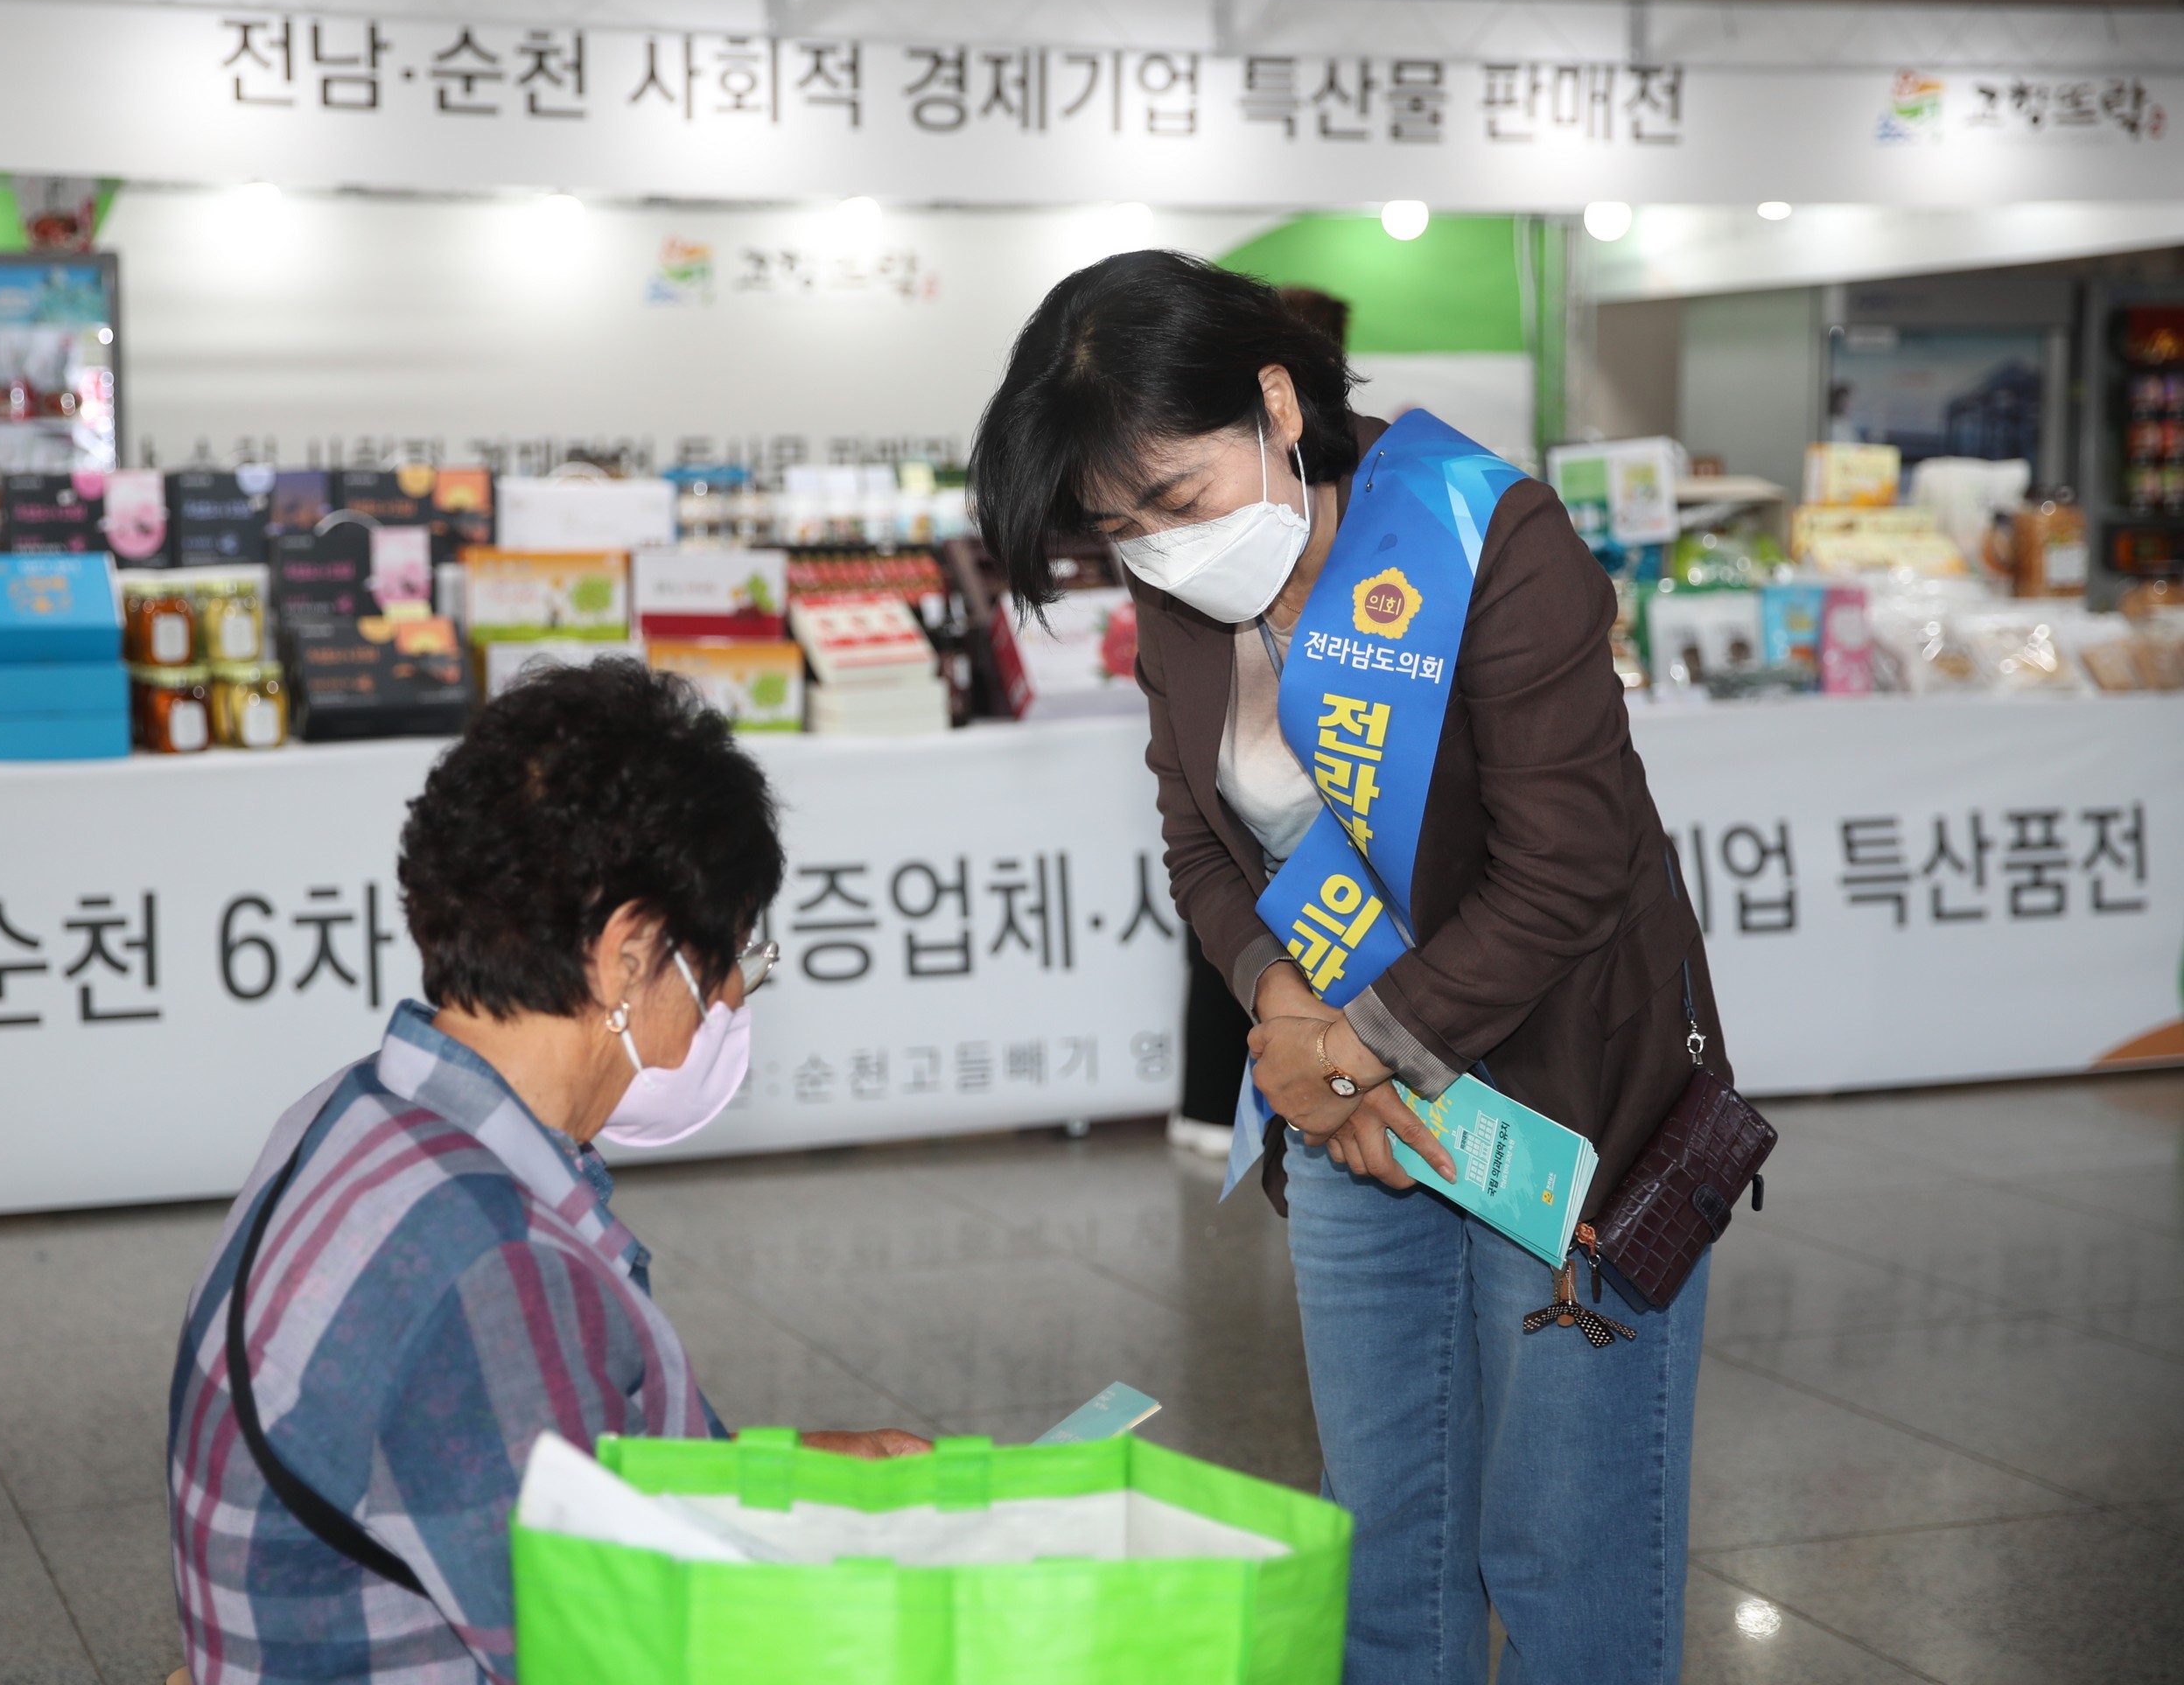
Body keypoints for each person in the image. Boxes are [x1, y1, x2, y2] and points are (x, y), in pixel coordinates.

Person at [969, 249, 1727, 1685]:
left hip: (1563, 1110)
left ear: (1274, 402)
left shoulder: (1481, 535)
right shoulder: (1185, 604)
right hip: (1348, 1116)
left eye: (1175, 502)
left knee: (1569, 1555)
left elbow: (1570, 865)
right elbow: (1200, 840)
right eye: (1115, 530)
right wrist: (1276, 1003)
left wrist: (1354, 1041)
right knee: (1381, 1540)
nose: (1158, 551)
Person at [167, 660, 926, 1684]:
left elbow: (547, 1465)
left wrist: (788, 1471)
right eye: (731, 958)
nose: (734, 997)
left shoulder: (357, 1114)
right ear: (629, 952)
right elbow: (616, 1652)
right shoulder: (485, 1257)